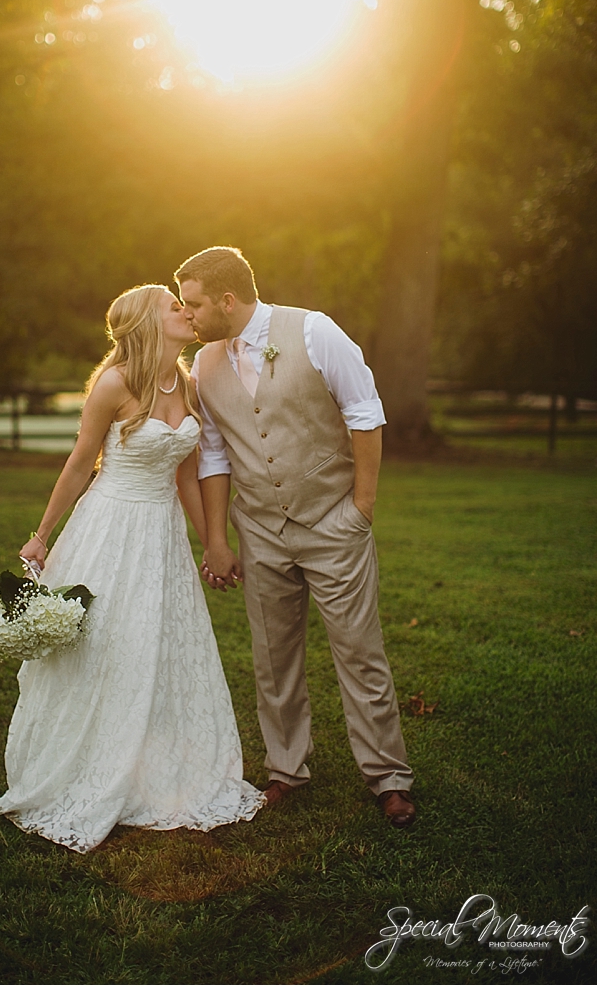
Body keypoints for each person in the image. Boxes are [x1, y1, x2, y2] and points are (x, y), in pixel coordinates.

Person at [0, 284, 265, 852]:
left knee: (158, 646)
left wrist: (212, 542)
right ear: (147, 323)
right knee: (107, 646)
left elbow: (187, 475)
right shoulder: (115, 384)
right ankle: (90, 764)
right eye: (173, 307)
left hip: (161, 534)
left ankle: (158, 766)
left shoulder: (184, 383)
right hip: (111, 525)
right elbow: (80, 462)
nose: (186, 313)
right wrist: (42, 536)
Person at [174, 247, 416, 828]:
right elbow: (212, 454)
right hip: (259, 529)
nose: (189, 316)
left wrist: (361, 507)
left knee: (359, 654)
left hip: (334, 523)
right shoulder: (204, 365)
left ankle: (388, 777)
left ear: (228, 300)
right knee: (272, 659)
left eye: (196, 303)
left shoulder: (315, 331)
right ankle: (286, 769)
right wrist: (217, 539)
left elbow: (364, 413)